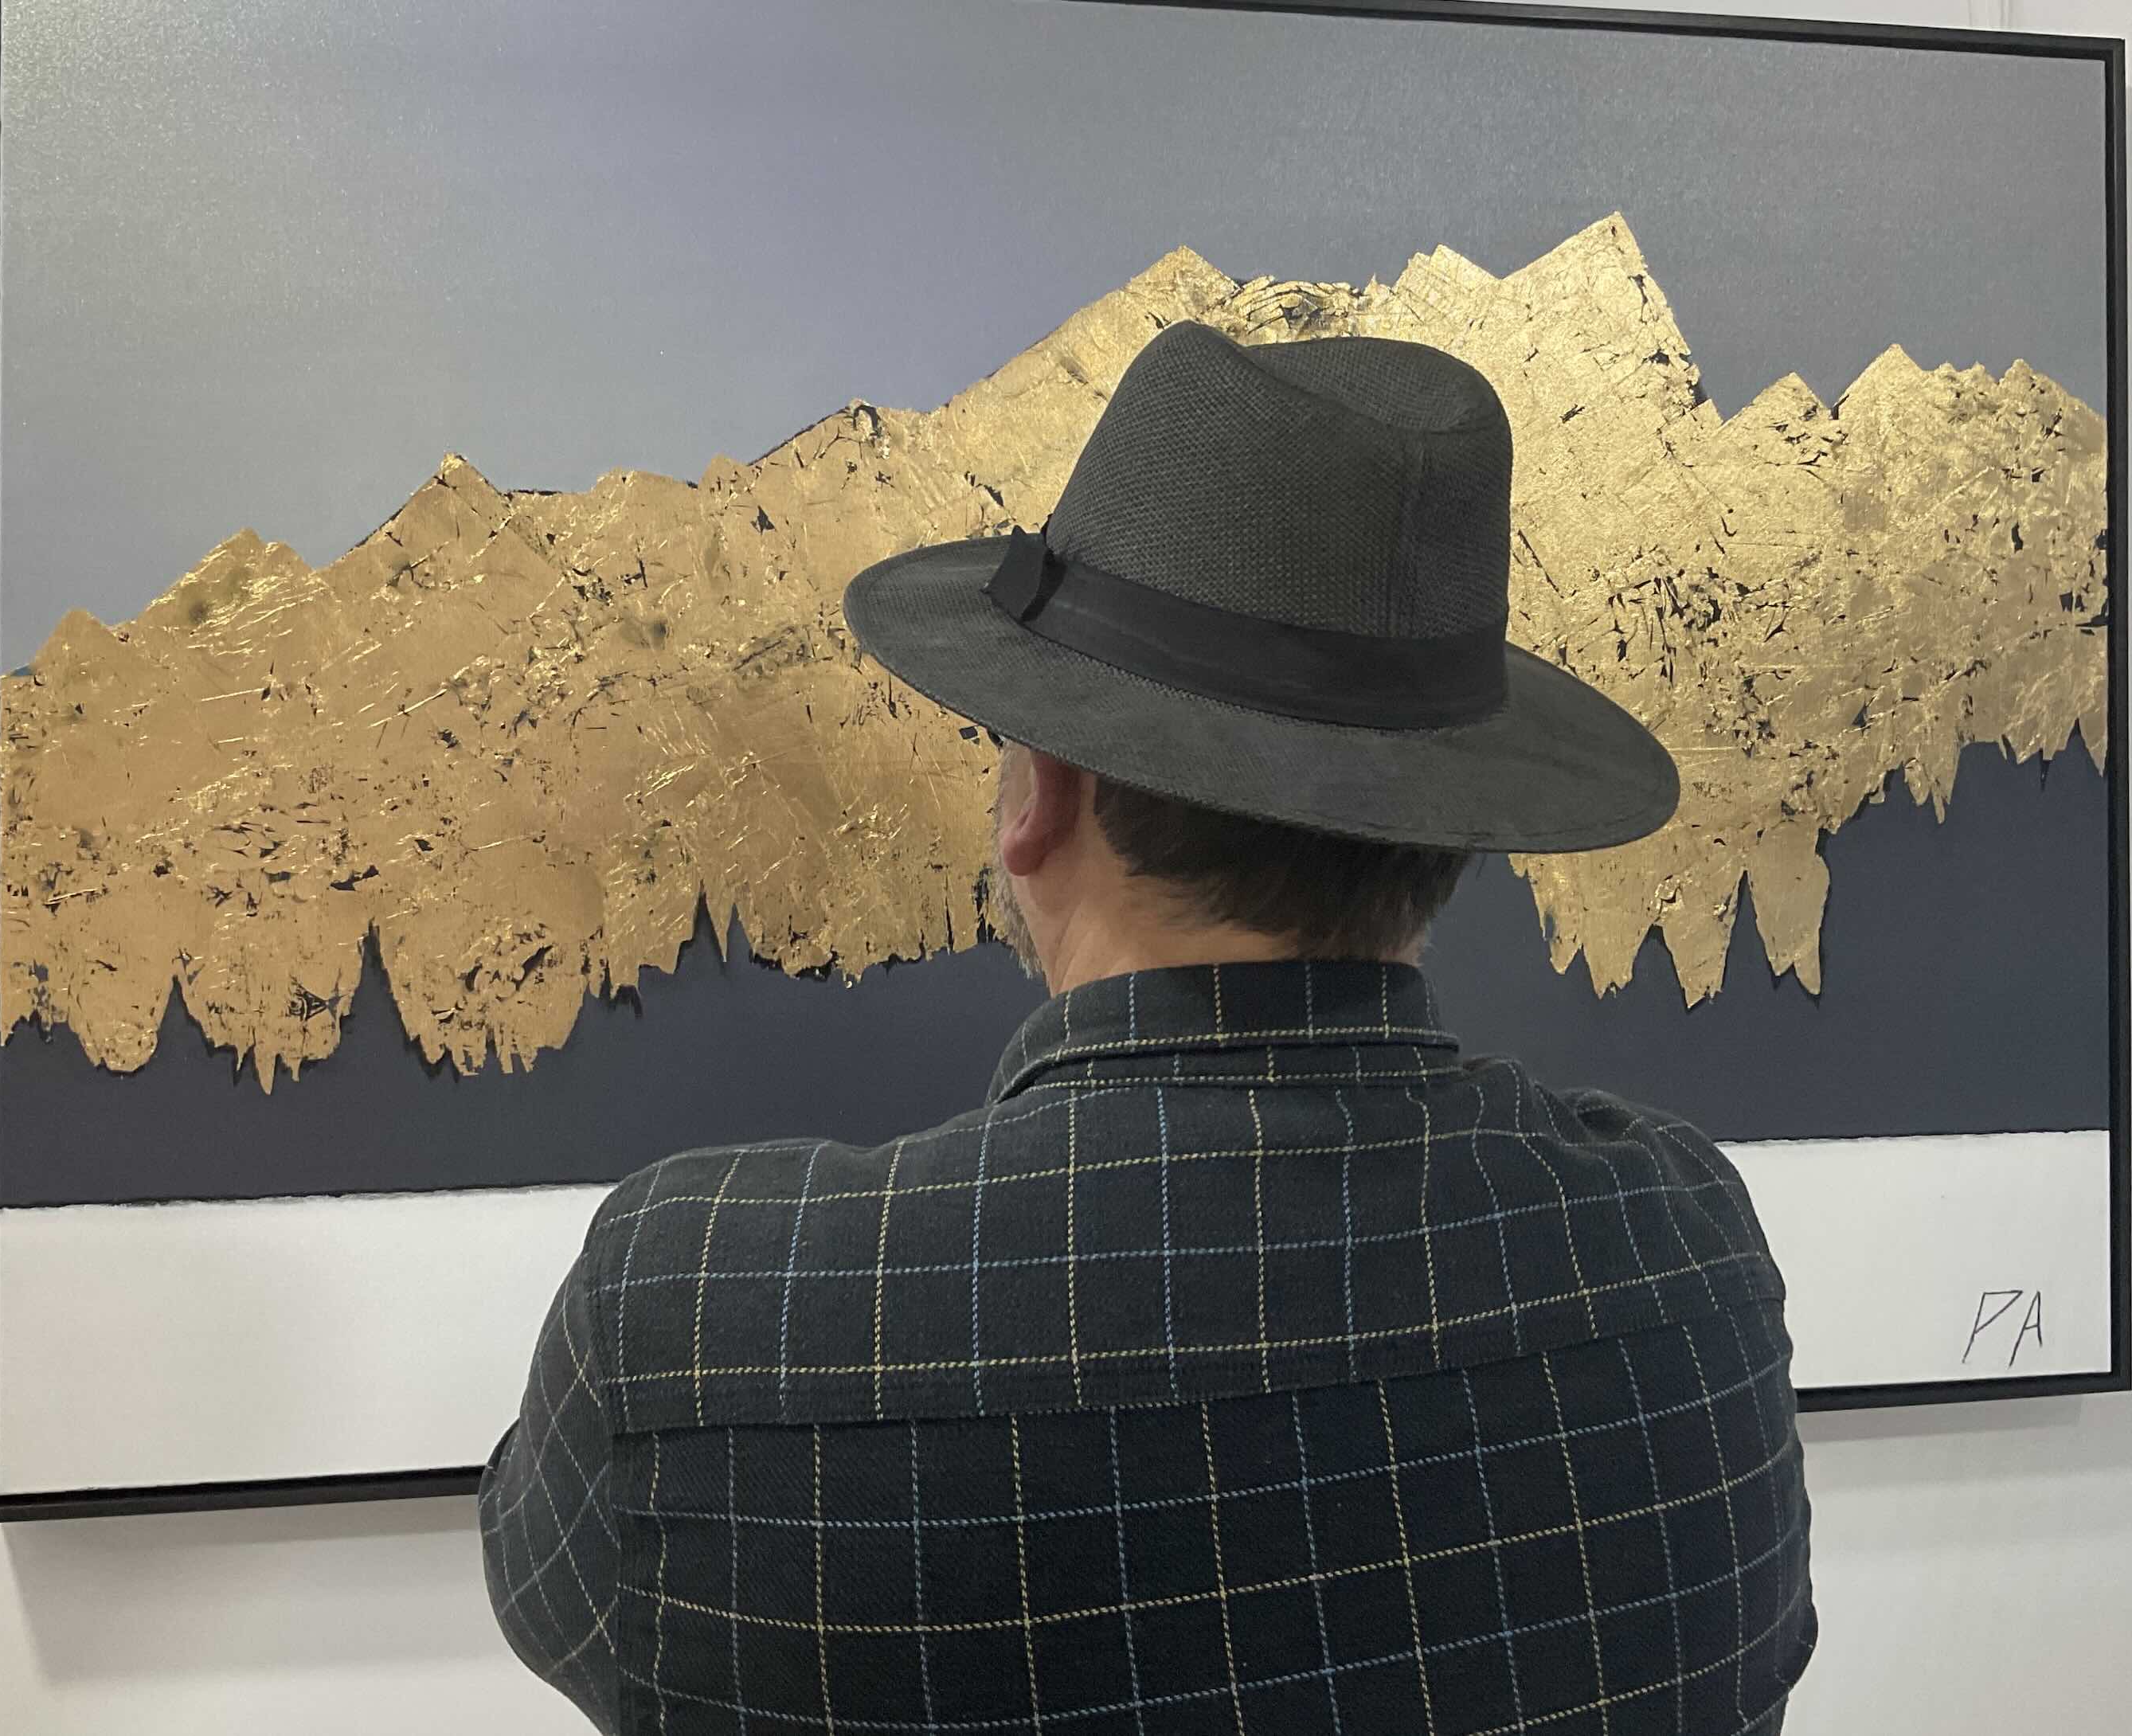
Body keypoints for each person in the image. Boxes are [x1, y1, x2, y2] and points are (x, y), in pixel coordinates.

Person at [479, 320, 1816, 1734]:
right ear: (1449, 835)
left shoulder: (695, 1316)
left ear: (1039, 796)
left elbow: (559, 1595)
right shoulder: (1690, 1263)